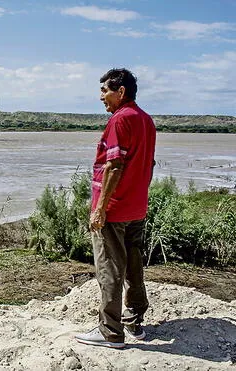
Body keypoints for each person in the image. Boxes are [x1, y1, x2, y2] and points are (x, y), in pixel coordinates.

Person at [74, 68, 156, 349]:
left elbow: (114, 165)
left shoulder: (120, 121)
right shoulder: (146, 120)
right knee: (133, 266)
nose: (101, 97)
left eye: (104, 91)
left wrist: (100, 209)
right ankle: (134, 323)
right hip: (136, 207)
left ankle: (111, 332)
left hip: (115, 209)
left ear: (121, 92)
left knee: (109, 267)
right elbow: (149, 165)